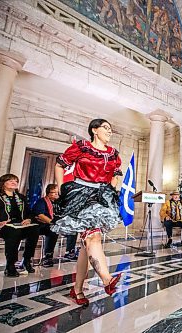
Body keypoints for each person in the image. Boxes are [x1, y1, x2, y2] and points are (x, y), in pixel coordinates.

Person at [52, 119, 123, 306]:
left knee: (86, 245)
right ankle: (107, 280)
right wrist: (62, 188)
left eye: (111, 129)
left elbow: (116, 174)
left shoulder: (114, 154)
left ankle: (77, 290)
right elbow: (60, 165)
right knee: (93, 238)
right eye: (106, 128)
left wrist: (110, 190)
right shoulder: (82, 147)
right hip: (81, 195)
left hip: (101, 197)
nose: (109, 131)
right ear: (94, 130)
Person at [0, 174, 39, 277]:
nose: (14, 183)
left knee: (35, 229)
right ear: (3, 183)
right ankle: (10, 265)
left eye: (16, 181)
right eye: (11, 181)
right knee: (13, 232)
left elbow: (30, 213)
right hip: (0, 227)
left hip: (19, 225)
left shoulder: (21, 197)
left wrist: (28, 219)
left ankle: (26, 260)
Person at [32, 184, 60, 267]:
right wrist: (52, 222)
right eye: (53, 193)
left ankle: (70, 251)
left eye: (57, 193)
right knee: (53, 230)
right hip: (41, 225)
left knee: (72, 232)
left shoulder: (59, 203)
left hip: (56, 224)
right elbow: (40, 215)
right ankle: (47, 256)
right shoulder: (42, 201)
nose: (55, 194)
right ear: (48, 193)